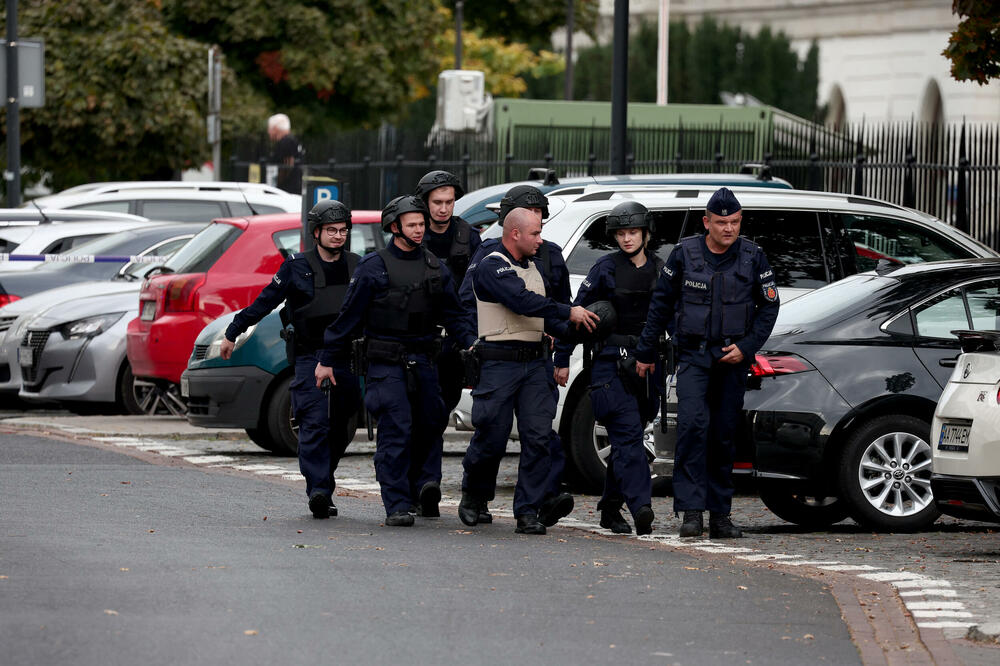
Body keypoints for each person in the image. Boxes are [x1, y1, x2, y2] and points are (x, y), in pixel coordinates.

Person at [315, 195, 475, 527]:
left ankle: (425, 486)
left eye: (421, 224)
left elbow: (456, 315)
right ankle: (397, 502)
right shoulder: (374, 266)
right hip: (386, 364)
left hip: (424, 360)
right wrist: (327, 358)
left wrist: (473, 344)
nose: (419, 230)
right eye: (413, 224)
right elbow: (347, 318)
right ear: (394, 227)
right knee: (397, 428)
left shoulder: (434, 266)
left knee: (431, 422)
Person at [635, 187, 779, 539]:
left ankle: (720, 516)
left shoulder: (752, 256)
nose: (728, 229)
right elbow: (661, 305)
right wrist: (646, 350)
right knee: (693, 430)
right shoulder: (685, 254)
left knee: (723, 436)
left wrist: (746, 348)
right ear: (706, 222)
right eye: (721, 222)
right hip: (695, 357)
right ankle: (691, 513)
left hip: (732, 359)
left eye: (734, 222)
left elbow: (769, 307)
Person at [459, 207, 600, 535]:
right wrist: (570, 312)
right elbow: (521, 302)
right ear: (514, 235)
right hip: (499, 363)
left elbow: (546, 318)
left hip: (535, 364)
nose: (541, 239)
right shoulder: (492, 265)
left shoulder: (536, 268)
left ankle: (528, 509)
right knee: (492, 435)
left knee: (538, 437)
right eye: (535, 233)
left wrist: (582, 327)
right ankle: (475, 494)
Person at [221, 200, 361, 519]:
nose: (338, 236)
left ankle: (325, 474)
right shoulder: (297, 266)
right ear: (316, 233)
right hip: (310, 356)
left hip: (346, 358)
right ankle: (319, 491)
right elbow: (264, 302)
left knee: (340, 426)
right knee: (313, 423)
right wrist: (233, 331)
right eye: (331, 231)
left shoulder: (357, 266)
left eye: (343, 231)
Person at [554, 201, 661, 535]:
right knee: (628, 434)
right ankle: (642, 506)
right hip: (609, 364)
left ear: (645, 233)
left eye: (633, 232)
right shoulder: (604, 268)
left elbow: (674, 314)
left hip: (647, 366)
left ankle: (610, 508)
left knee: (626, 437)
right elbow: (578, 314)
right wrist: (561, 359)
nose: (627, 239)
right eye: (621, 233)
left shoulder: (661, 269)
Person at [414, 170, 482, 415]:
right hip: (418, 336)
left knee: (445, 405)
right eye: (437, 202)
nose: (443, 208)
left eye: (449, 202)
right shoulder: (413, 234)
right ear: (425, 202)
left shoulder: (470, 237)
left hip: (454, 338)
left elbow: (480, 288)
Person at [268, 113, 303, 194]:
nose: (268, 132)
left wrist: (275, 185)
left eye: (269, 128)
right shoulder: (292, 140)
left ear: (275, 128)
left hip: (286, 191)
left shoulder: (286, 142)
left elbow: (287, 166)